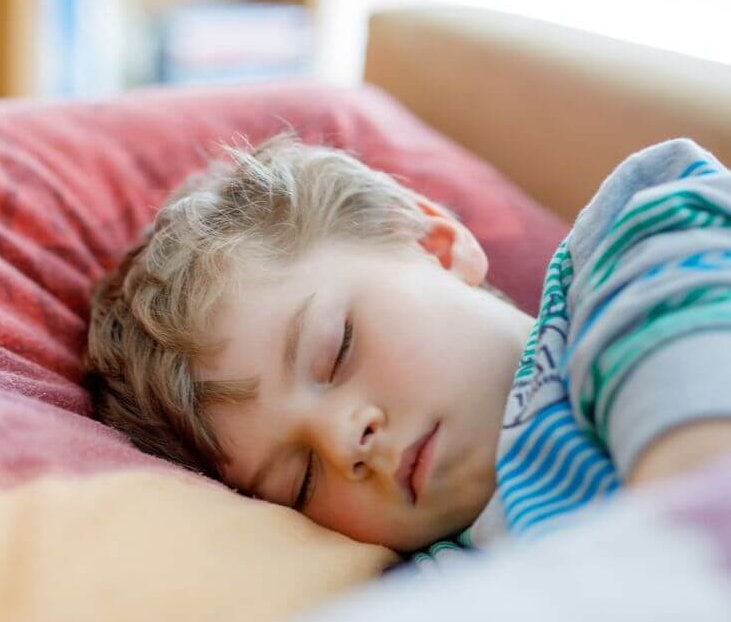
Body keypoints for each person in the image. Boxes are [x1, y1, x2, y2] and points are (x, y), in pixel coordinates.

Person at [83, 134, 731, 565]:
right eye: (300, 480)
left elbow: (685, 341)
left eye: (336, 352)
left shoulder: (633, 255)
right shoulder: (438, 590)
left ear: (430, 242)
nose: (345, 443)